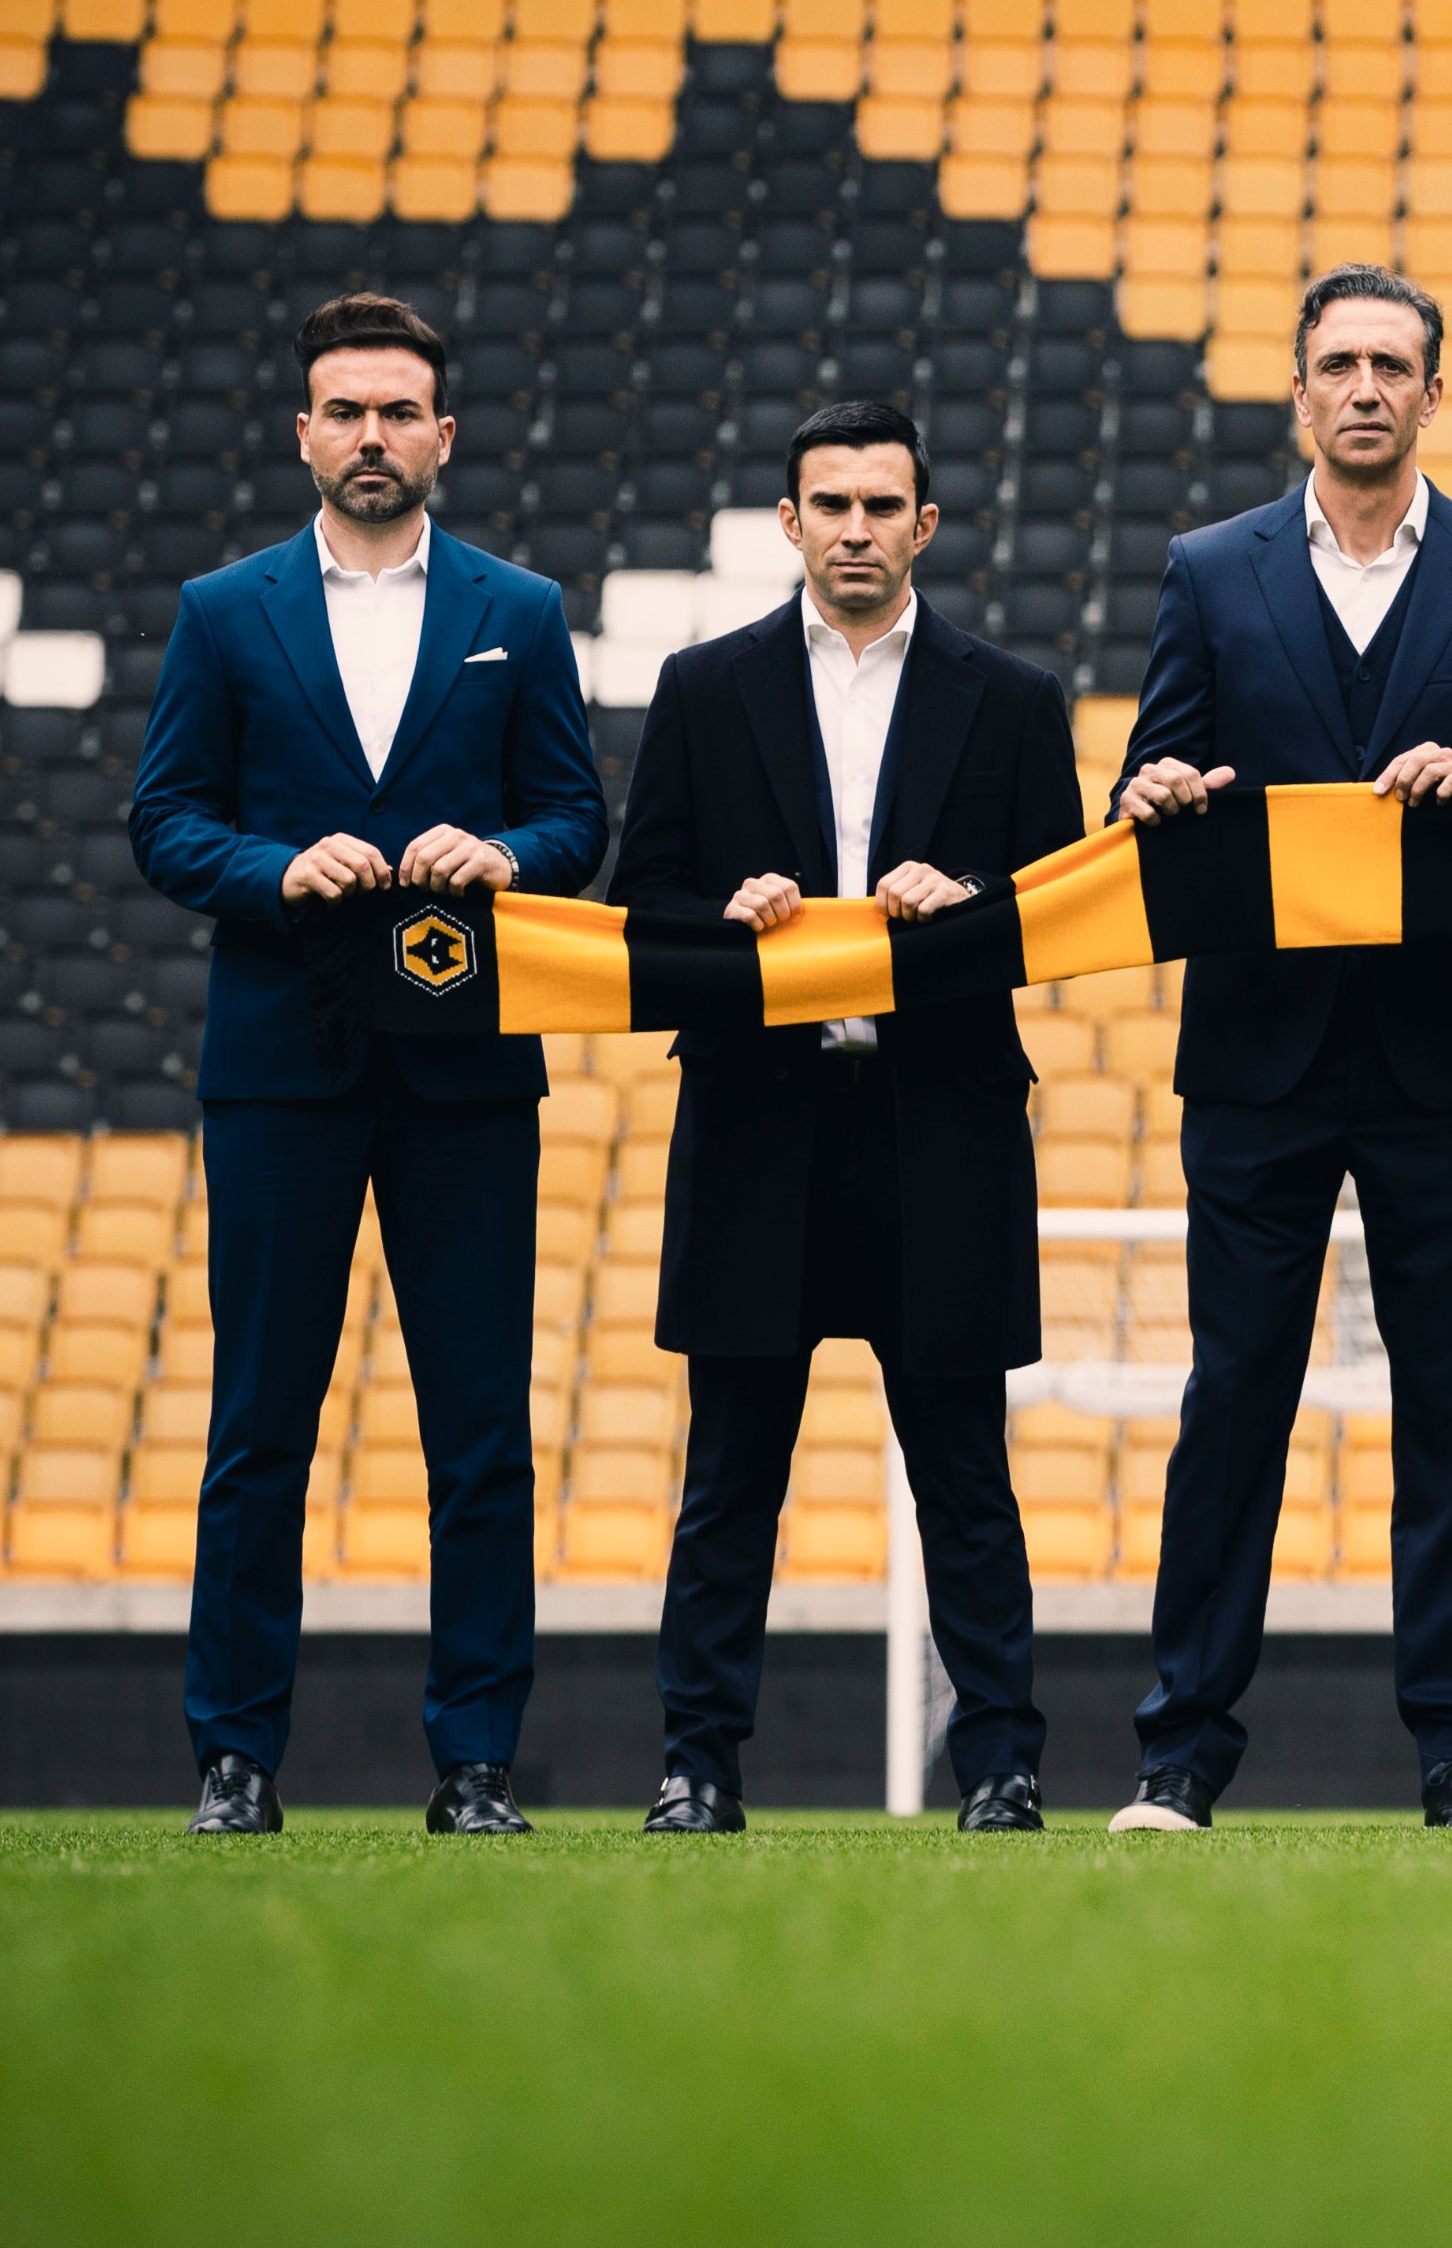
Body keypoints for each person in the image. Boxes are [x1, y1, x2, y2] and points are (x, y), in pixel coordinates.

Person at [1107, 265, 1452, 1834]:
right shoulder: (1210, 569)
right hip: (1258, 1051)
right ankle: (1181, 1753)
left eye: (1394, 364)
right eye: (1340, 363)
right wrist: (1156, 794)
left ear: (1434, 395)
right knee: (1233, 1398)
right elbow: (1144, 783)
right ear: (1298, 391)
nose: (1366, 386)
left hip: (1445, 1050)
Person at [129, 292, 604, 1835]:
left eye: (401, 412)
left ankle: (473, 1763)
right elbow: (165, 821)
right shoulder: (222, 610)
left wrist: (506, 851)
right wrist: (274, 869)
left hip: (468, 1071)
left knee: (479, 1430)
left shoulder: (518, 611)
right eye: (346, 411)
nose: (374, 436)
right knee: (261, 1424)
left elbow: (578, 824)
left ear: (443, 437)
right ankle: (233, 1760)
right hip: (280, 1070)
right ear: (305, 434)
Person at [610, 402, 1086, 1835]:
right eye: (834, 504)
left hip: (938, 1124)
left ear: (925, 527)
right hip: (758, 1124)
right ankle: (699, 1765)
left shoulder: (1010, 698)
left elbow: (1061, 915)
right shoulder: (705, 688)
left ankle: (1000, 1765)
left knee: (965, 1478)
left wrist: (972, 906)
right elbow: (641, 907)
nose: (859, 529)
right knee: (729, 1478)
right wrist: (724, 913)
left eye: (885, 506)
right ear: (791, 523)